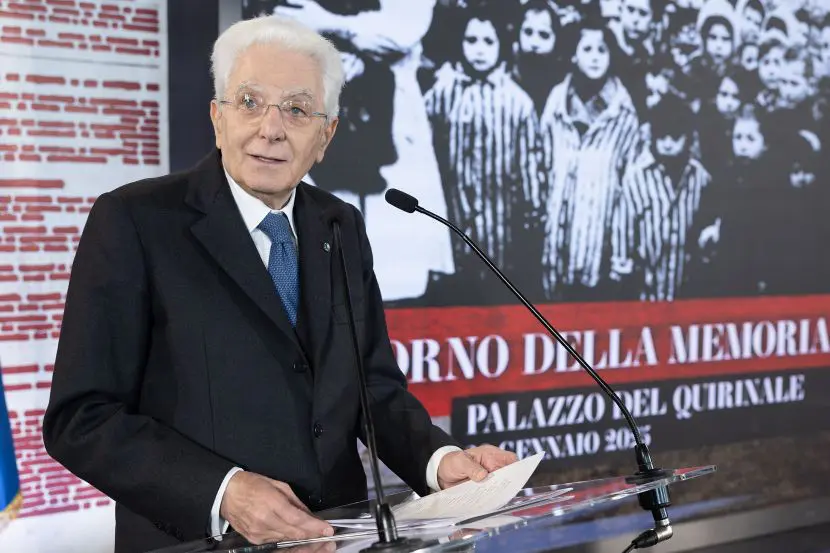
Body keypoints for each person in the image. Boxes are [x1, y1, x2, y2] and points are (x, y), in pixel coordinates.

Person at [41, 15, 517, 553]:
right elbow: (82, 418)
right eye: (250, 102)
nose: (271, 129)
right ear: (217, 117)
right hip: (201, 542)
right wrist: (223, 492)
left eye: (296, 109)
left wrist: (439, 461)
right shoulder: (136, 221)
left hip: (334, 536)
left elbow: (372, 387)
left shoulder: (340, 224)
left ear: (325, 135)